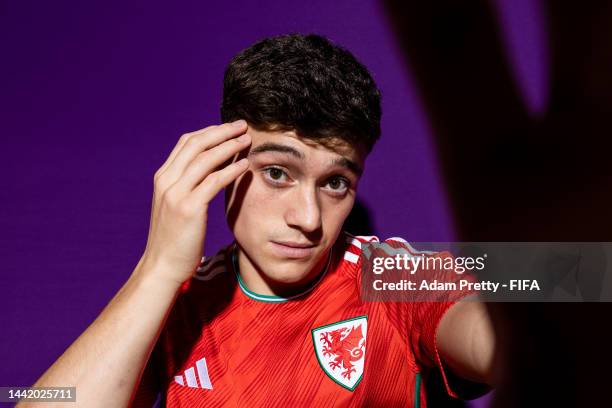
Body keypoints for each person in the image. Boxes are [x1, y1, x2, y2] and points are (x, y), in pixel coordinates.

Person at [22, 34, 497, 407]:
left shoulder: (390, 275)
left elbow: (513, 331)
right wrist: (158, 268)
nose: (309, 218)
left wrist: (558, 255)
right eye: (277, 173)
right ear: (222, 162)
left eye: (335, 183)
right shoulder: (178, 304)